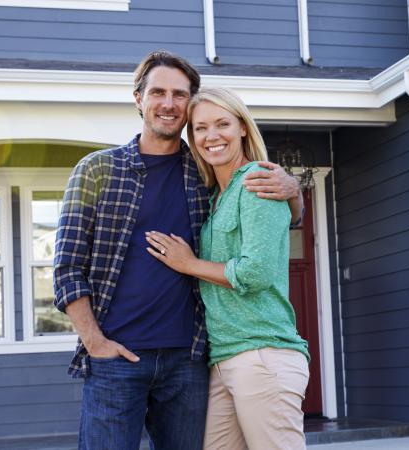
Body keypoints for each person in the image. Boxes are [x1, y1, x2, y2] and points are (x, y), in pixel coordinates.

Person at [52, 51, 303, 450]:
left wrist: (293, 193)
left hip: (189, 362)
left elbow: (262, 217)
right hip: (116, 359)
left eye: (180, 95)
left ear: (190, 104)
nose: (168, 103)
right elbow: (67, 268)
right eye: (158, 92)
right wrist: (96, 344)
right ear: (138, 98)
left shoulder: (205, 171)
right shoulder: (97, 170)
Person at [145, 87, 310, 450]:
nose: (211, 136)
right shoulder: (214, 195)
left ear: (243, 129)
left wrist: (188, 264)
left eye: (222, 124)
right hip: (223, 358)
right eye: (201, 128)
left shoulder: (256, 182)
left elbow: (256, 273)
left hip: (262, 354)